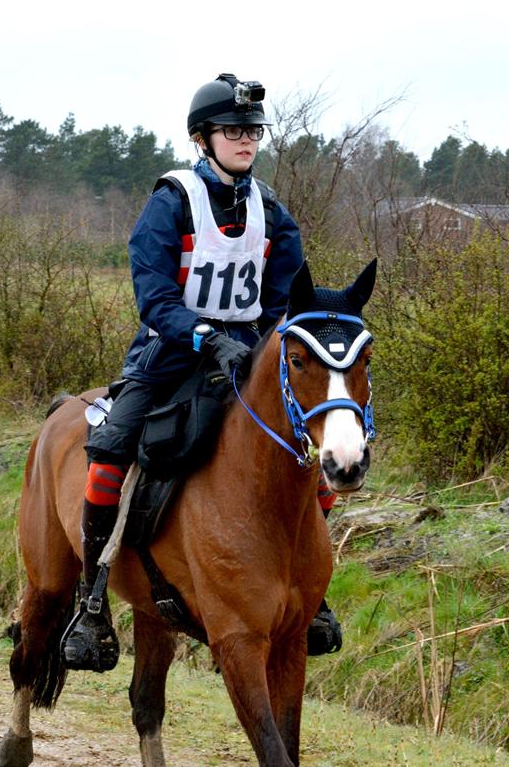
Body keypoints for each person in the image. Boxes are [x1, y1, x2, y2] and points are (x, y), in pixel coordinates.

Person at [62, 73, 342, 673]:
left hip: (248, 358)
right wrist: (203, 336)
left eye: (252, 132)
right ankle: (91, 599)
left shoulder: (272, 210)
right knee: (111, 446)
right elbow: (154, 293)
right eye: (233, 131)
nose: (246, 141)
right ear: (203, 139)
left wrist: (263, 342)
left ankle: (311, 600)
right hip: (170, 353)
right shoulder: (171, 200)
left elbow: (283, 295)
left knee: (310, 452)